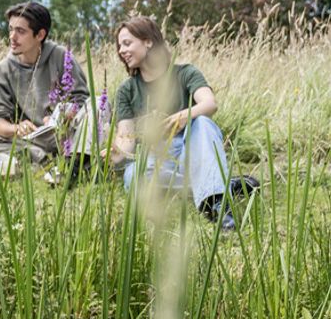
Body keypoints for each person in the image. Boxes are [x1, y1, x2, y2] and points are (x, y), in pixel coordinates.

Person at [106, 16, 257, 229]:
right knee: (133, 176)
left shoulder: (185, 73)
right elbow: (126, 138)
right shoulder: (126, 90)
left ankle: (216, 205)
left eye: (127, 43)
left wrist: (185, 115)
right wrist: (117, 152)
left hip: (192, 150)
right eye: (119, 46)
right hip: (157, 160)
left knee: (202, 122)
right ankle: (220, 185)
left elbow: (210, 104)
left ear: (148, 41)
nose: (121, 50)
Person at [0, 1, 98, 183]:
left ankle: (75, 164)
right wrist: (16, 128)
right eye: (10, 29)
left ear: (40, 35)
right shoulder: (3, 69)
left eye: (20, 31)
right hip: (31, 141)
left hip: (64, 134)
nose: (12, 37)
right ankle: (45, 162)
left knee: (97, 105)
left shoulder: (61, 56)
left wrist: (62, 116)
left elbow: (82, 100)